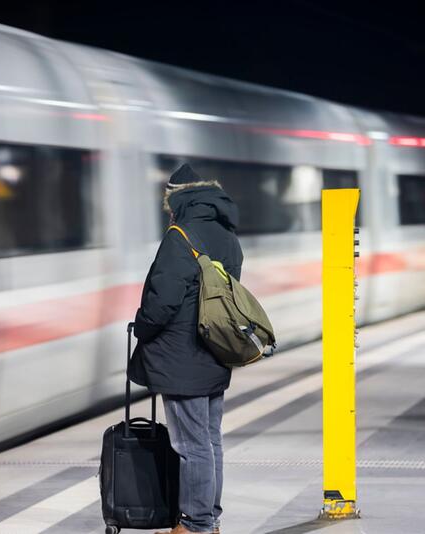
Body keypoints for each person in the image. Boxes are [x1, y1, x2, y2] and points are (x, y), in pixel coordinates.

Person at [129, 164, 243, 534]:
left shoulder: (180, 236)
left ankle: (195, 525)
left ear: (175, 198)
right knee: (209, 440)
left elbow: (162, 301)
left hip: (181, 357)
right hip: (214, 350)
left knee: (190, 444)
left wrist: (142, 328)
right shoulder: (228, 236)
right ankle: (210, 518)